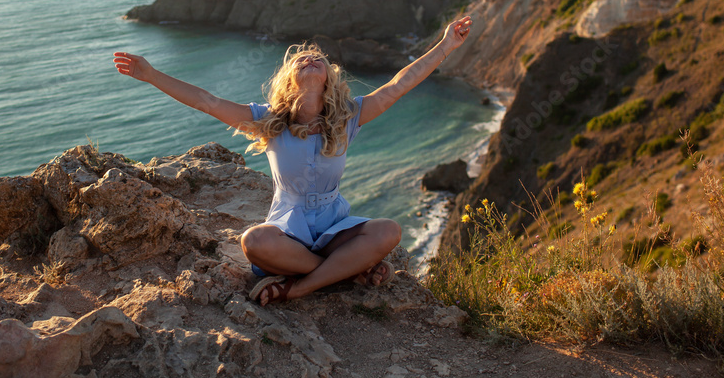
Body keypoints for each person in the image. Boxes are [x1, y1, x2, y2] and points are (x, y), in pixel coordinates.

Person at [113, 15, 473, 305]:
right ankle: (346, 272)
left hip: (334, 226)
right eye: (301, 59)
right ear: (289, 81)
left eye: (318, 58)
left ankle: (299, 288)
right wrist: (150, 75)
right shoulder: (268, 121)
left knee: (388, 231)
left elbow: (399, 84)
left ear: (329, 79)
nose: (311, 58)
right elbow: (205, 101)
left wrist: (446, 45)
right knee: (253, 242)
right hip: (288, 230)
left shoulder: (349, 117)